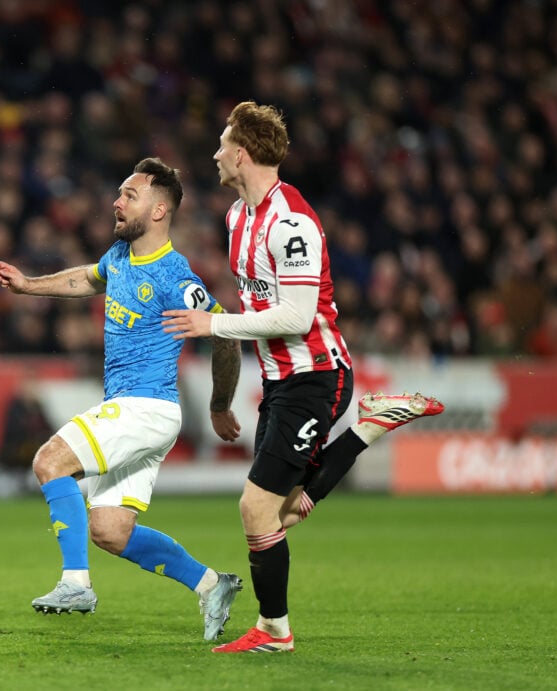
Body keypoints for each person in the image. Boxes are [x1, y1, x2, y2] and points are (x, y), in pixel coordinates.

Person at [162, 102, 444, 653]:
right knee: (282, 512)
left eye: (223, 145)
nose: (216, 154)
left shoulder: (292, 223)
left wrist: (212, 324)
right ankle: (368, 429)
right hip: (279, 382)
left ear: (242, 155)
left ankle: (275, 631)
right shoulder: (237, 217)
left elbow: (294, 315)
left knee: (255, 507)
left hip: (318, 376)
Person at [0, 157, 246, 642]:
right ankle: (212, 584)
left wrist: (218, 406)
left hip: (145, 406)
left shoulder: (175, 275)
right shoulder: (119, 257)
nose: (116, 200)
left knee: (50, 461)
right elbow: (88, 278)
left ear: (158, 210)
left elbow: (226, 335)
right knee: (110, 530)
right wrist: (28, 285)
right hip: (141, 413)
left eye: (129, 194)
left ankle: (75, 585)